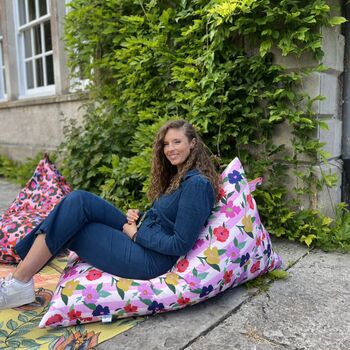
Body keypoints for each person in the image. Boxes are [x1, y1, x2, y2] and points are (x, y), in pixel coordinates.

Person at [0, 119, 220, 309]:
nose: (170, 148)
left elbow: (180, 243)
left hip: (149, 259)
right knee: (79, 201)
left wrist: (135, 235)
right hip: (142, 235)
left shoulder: (197, 185)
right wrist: (140, 215)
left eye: (177, 142)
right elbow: (169, 218)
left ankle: (20, 281)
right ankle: (21, 277)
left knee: (77, 228)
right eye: (166, 144)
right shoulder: (181, 176)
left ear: (193, 144)